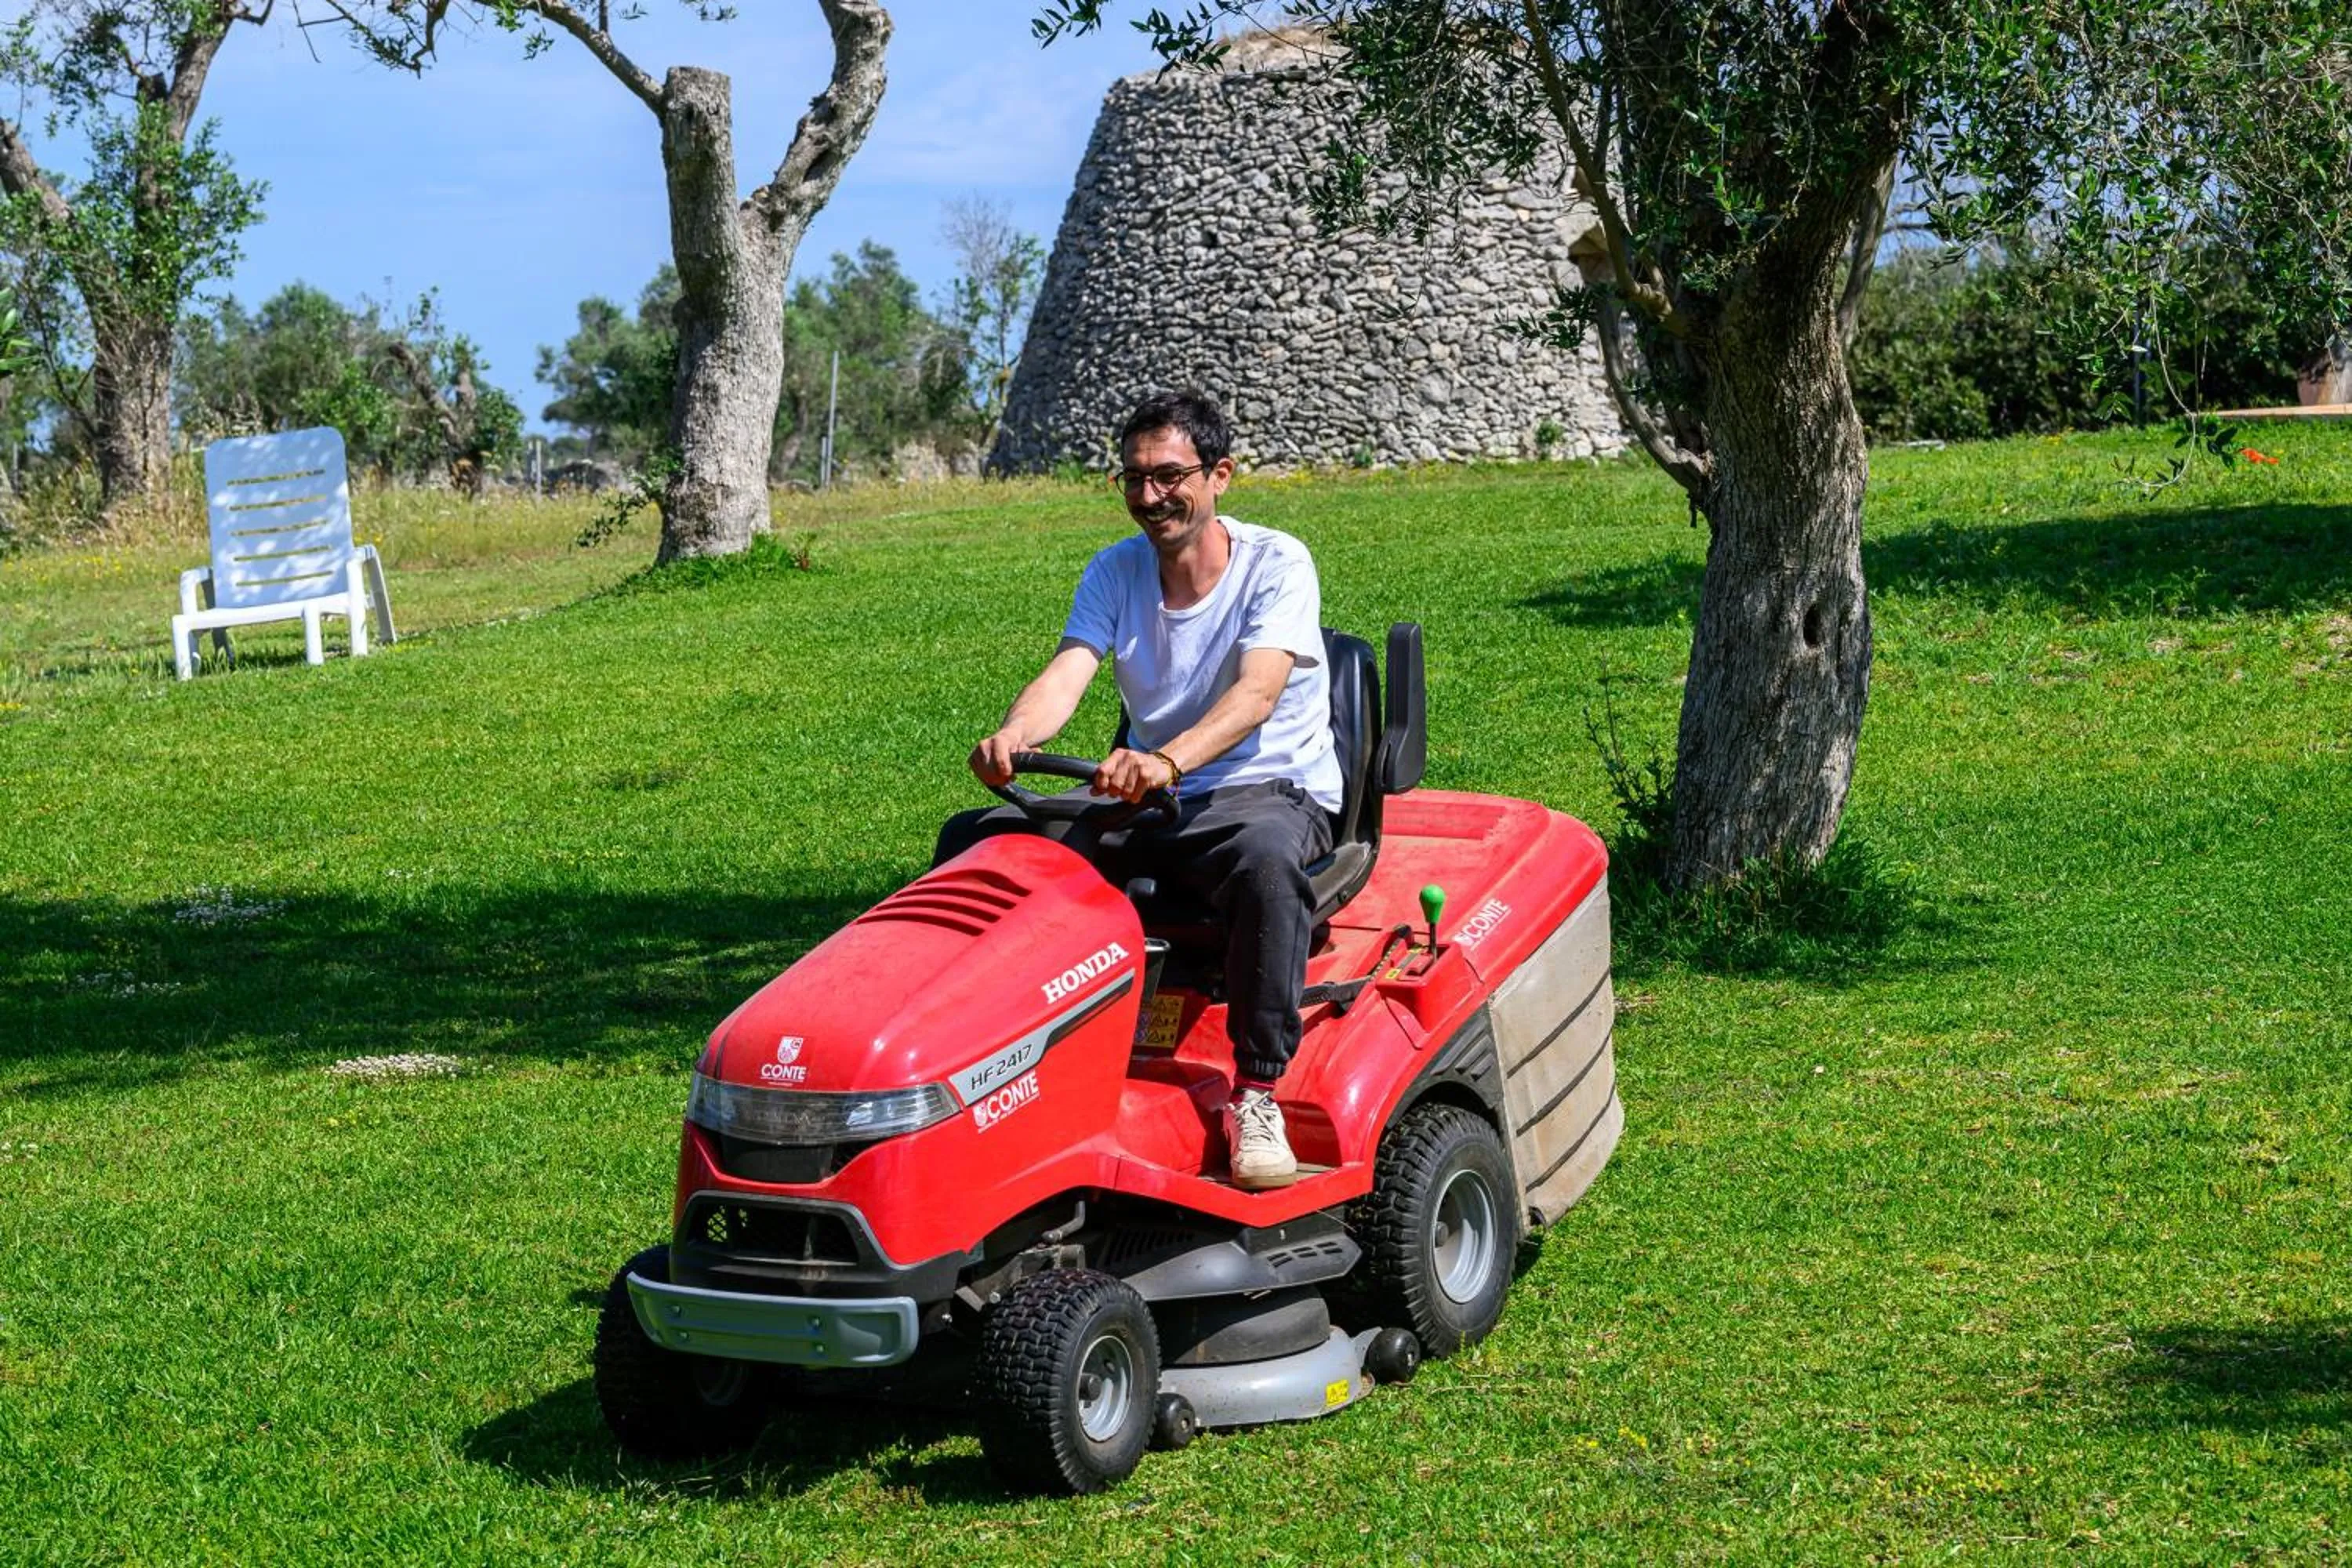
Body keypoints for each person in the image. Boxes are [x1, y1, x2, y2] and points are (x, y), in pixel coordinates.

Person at [936, 390, 1341, 1189]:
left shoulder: (1278, 561)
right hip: (1156, 796)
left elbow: (1256, 694)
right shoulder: (1116, 570)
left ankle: (1257, 1089)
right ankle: (980, 1067)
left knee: (1263, 861)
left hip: (1265, 789)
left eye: (1168, 475)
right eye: (1133, 478)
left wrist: (1168, 759)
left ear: (1219, 475)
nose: (1150, 496)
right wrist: (1018, 734)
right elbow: (1070, 670)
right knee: (979, 842)